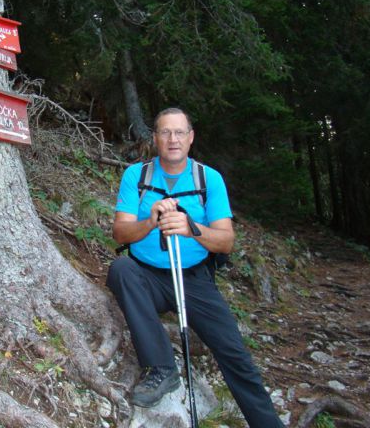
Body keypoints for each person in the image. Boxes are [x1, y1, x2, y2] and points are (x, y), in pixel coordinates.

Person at [106, 107, 284, 427]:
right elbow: (120, 233)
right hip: (148, 275)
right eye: (164, 132)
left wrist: (192, 229)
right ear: (155, 139)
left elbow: (226, 241)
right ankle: (161, 368)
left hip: (195, 280)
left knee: (234, 353)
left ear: (190, 138)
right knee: (121, 269)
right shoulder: (137, 176)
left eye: (179, 133)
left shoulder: (208, 179)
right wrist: (151, 221)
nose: (172, 139)